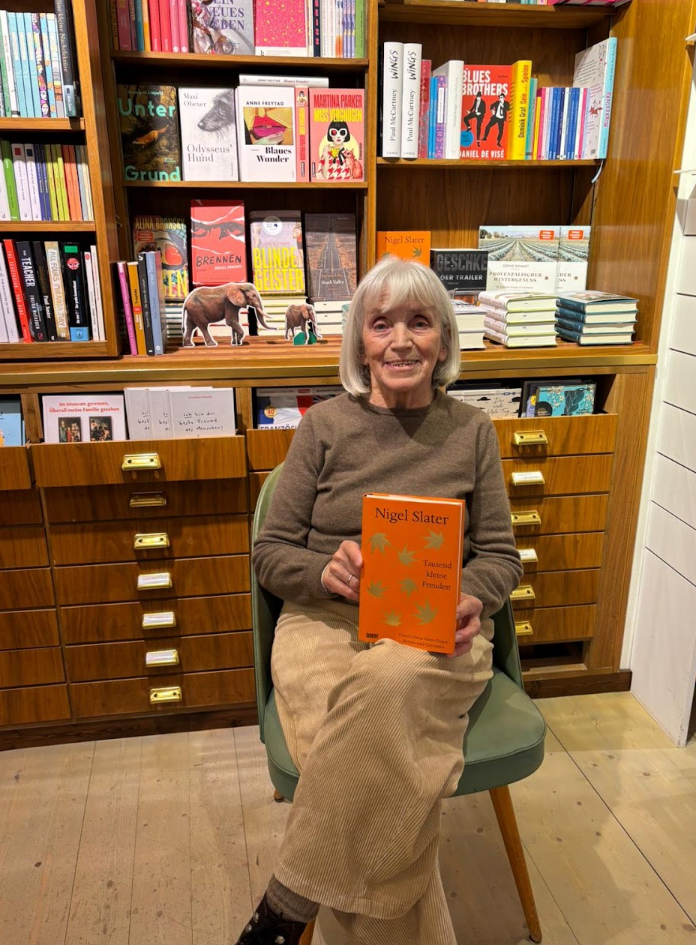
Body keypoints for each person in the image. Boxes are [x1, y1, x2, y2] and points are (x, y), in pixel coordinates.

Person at [238, 256, 522, 945]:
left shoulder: (472, 432)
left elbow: (500, 557)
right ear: (359, 344)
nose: (400, 341)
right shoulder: (323, 428)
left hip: (436, 627)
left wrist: (470, 596)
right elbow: (270, 553)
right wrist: (323, 572)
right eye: (381, 324)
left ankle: (287, 901)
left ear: (443, 340)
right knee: (368, 762)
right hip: (323, 621)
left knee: (382, 691)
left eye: (419, 322)